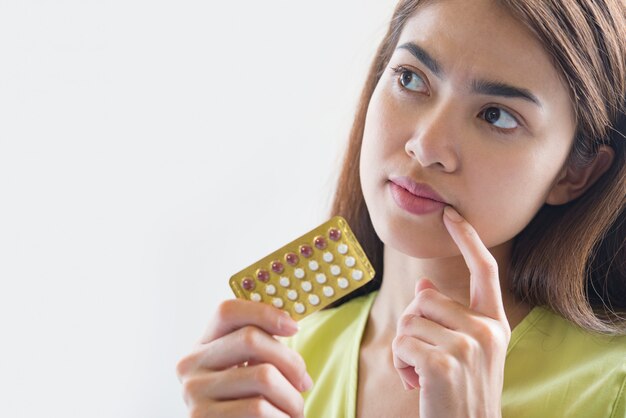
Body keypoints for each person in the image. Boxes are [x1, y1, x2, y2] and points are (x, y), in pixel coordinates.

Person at [176, 0, 626, 416]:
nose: (426, 145)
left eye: (496, 115)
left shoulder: (611, 389)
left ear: (575, 173)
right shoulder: (275, 369)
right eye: (411, 79)